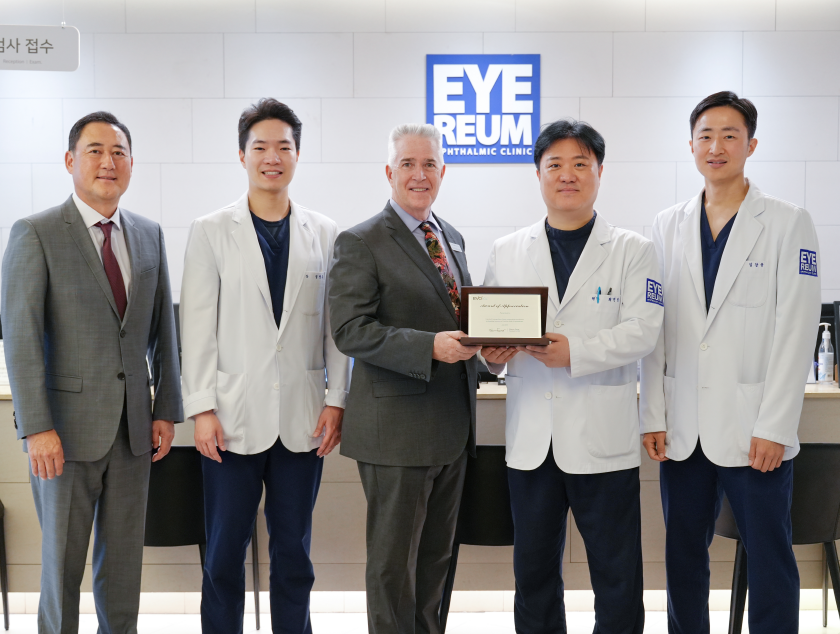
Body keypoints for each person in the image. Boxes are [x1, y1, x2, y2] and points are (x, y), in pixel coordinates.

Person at [639, 91, 821, 634]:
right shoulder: (666, 225)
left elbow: (797, 331)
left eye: (729, 136)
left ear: (751, 145)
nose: (716, 146)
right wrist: (653, 414)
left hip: (753, 428)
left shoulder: (788, 223)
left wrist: (776, 425)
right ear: (690, 144)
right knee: (682, 555)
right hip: (683, 428)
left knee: (769, 555)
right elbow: (654, 329)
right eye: (706, 136)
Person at [1, 111, 182, 634]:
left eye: (119, 152)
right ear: (70, 160)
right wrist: (36, 427)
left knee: (123, 568)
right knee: (62, 568)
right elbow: (21, 338)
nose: (108, 162)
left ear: (131, 164)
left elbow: (162, 329)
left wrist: (166, 409)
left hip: (133, 433)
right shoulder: (36, 233)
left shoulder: (148, 235)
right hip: (63, 434)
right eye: (95, 151)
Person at [481, 120, 662, 634]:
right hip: (532, 442)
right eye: (555, 164)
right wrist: (491, 355)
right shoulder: (507, 250)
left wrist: (575, 352)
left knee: (617, 572)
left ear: (600, 172)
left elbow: (644, 330)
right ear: (537, 174)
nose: (567, 175)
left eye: (580, 163)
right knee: (534, 574)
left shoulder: (633, 250)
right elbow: (490, 334)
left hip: (602, 437)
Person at [179, 98, 350, 634]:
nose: (272, 157)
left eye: (283, 147)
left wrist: (337, 400)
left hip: (304, 417)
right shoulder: (210, 229)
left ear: (298, 155)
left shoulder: (325, 232)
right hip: (230, 419)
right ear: (242, 155)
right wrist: (201, 409)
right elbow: (196, 328)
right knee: (224, 552)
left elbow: (336, 329)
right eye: (260, 147)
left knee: (294, 552)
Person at [327, 123, 480, 634]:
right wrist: (428, 346)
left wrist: (490, 349)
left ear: (443, 171)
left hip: (451, 429)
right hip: (395, 434)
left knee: (436, 564)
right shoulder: (361, 240)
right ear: (389, 172)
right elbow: (350, 330)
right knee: (394, 570)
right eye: (408, 164)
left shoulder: (451, 237)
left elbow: (461, 321)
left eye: (429, 164)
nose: (420, 174)